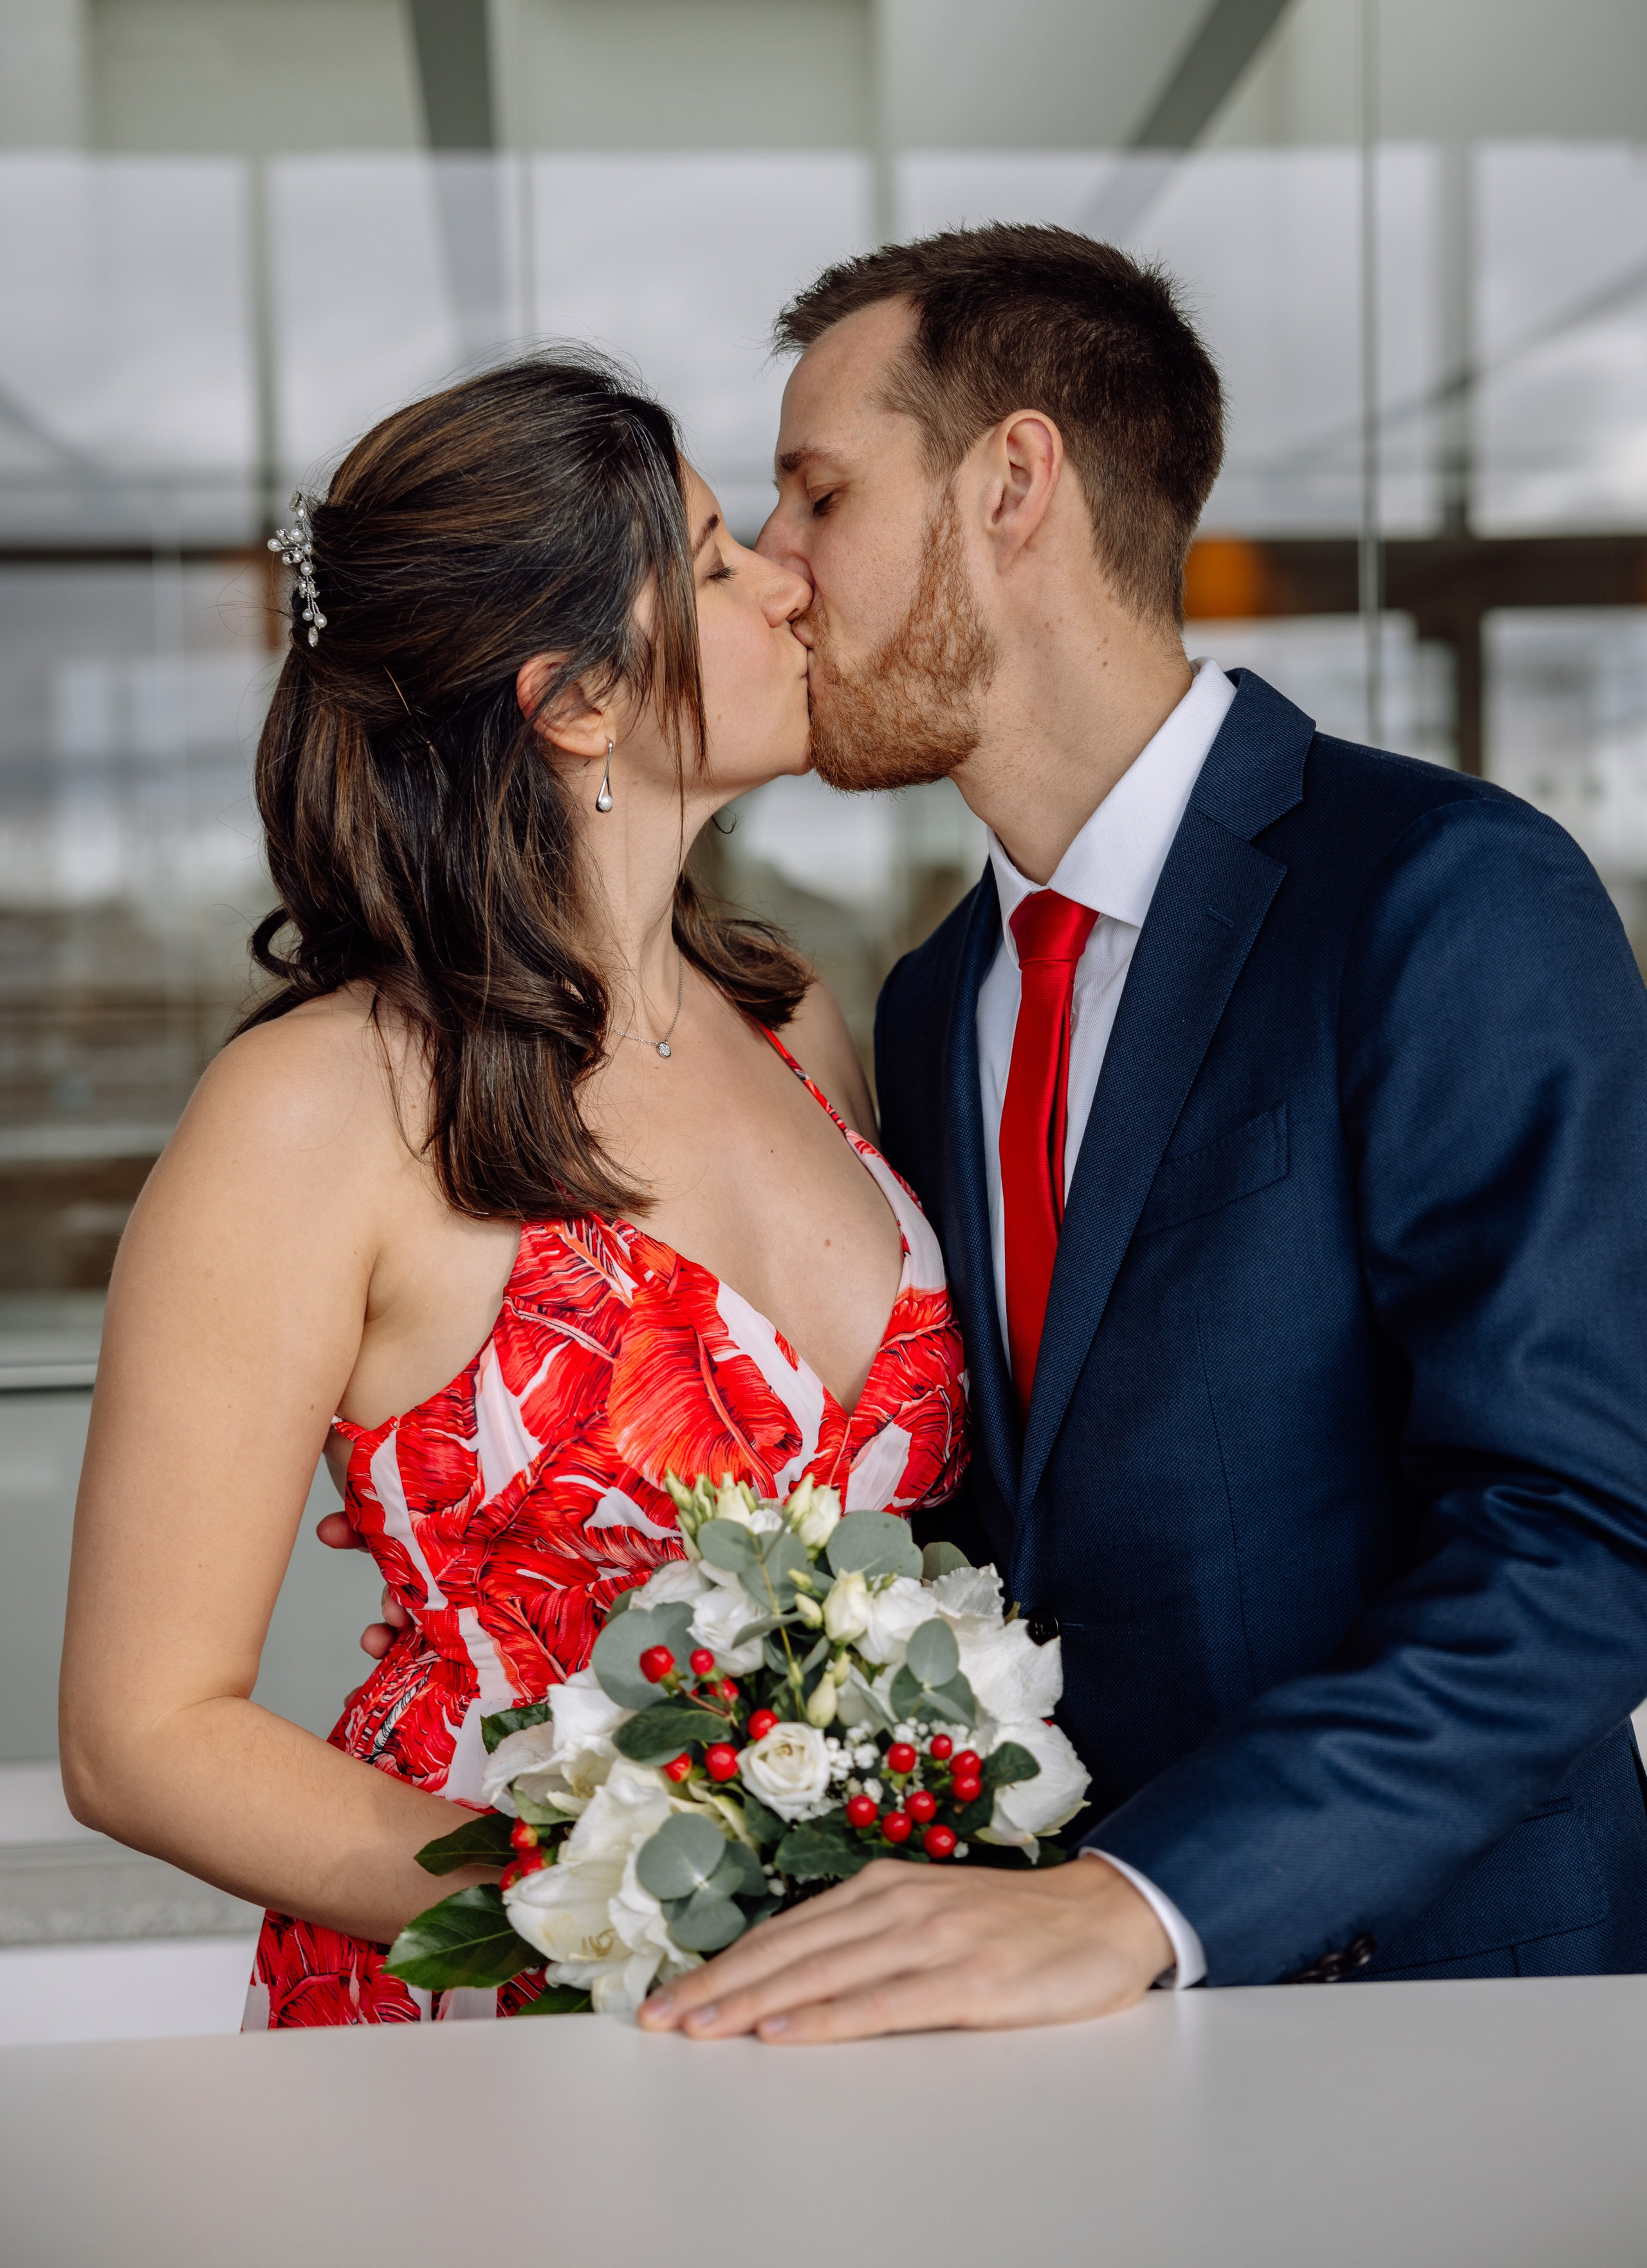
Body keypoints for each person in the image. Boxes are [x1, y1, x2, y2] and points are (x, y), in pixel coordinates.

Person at [636, 223, 1647, 2045]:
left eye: (820, 494)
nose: (778, 570)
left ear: (1012, 485)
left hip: (1454, 2023)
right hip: (1057, 2043)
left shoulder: (1442, 894)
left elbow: (1583, 1531)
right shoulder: (934, 999)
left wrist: (1148, 1901)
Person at [57, 354, 968, 2029]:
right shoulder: (316, 1110)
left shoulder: (793, 1022)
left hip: (844, 1991)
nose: (788, 581)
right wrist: (619, 1912)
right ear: (578, 703)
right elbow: (142, 1735)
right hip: (492, 2005)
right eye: (717, 564)